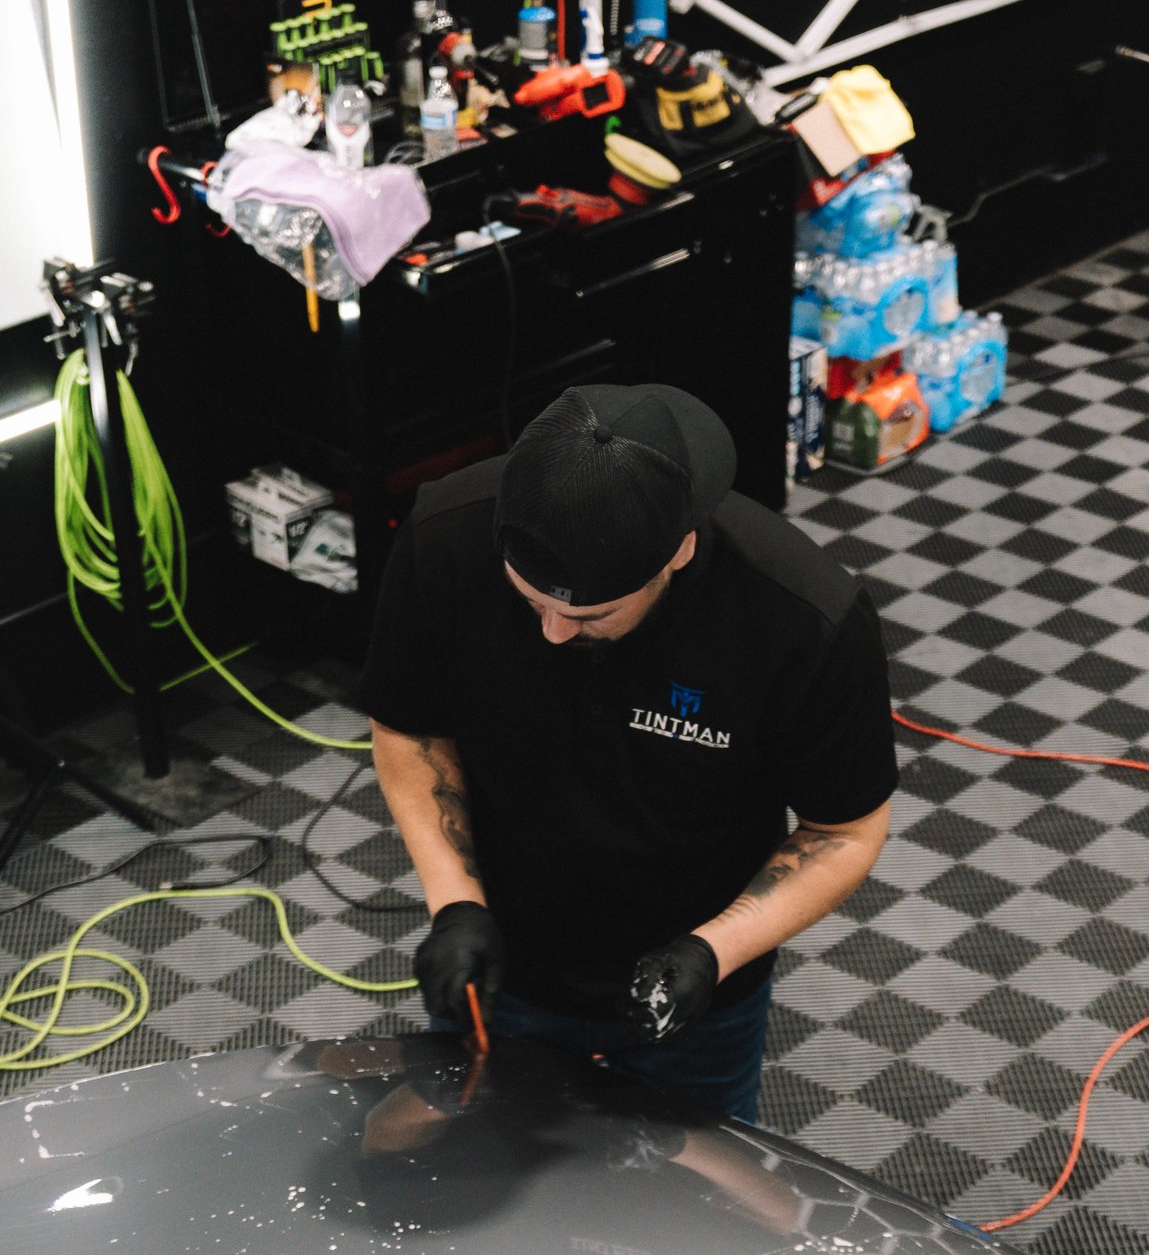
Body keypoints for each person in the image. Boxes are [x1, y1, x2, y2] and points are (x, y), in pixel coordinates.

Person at [362, 380, 896, 1123]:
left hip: (694, 989)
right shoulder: (442, 537)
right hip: (502, 961)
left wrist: (712, 952)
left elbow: (845, 830)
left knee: (687, 1220)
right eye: (530, 604)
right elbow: (410, 730)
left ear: (676, 552)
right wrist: (455, 903)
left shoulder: (803, 620)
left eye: (589, 614)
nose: (551, 632)